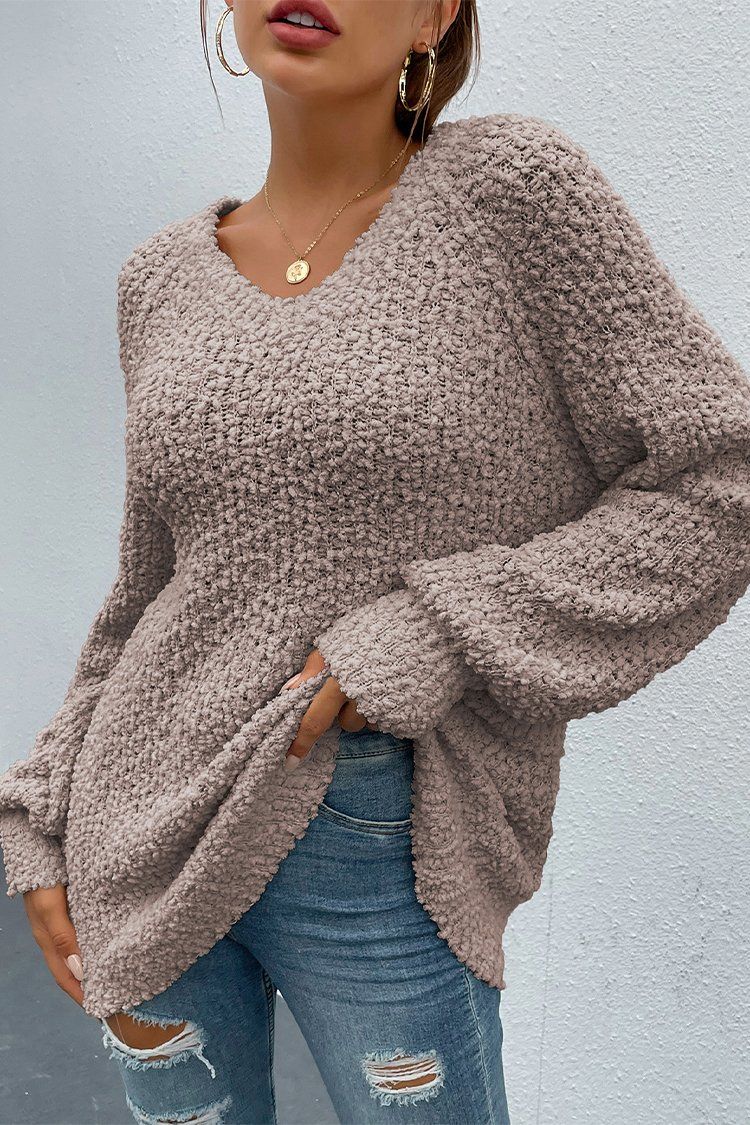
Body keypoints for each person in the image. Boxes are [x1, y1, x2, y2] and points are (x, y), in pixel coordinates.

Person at [2, 1, 750, 1122]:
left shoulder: (511, 195)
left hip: (378, 827)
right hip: (140, 827)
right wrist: (42, 809)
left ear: (435, 12)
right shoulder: (157, 281)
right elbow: (151, 589)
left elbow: (721, 477)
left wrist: (437, 630)